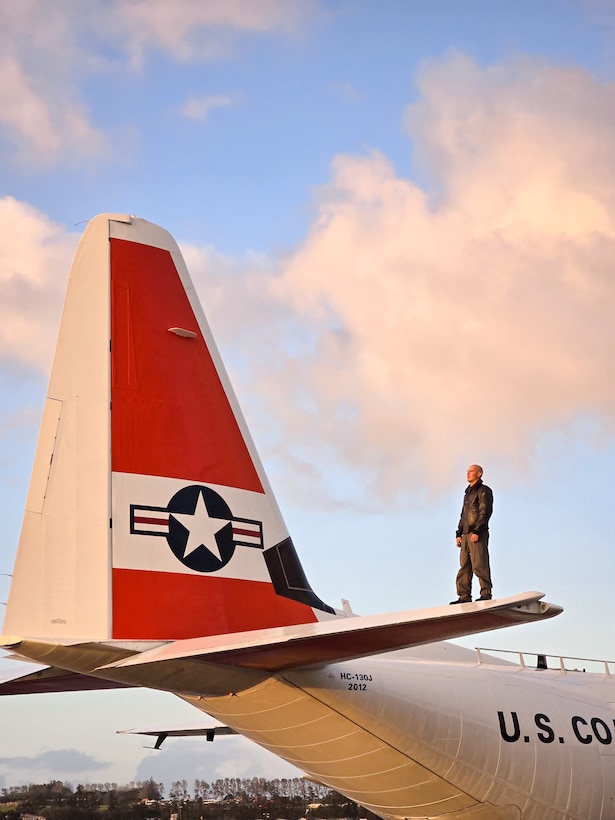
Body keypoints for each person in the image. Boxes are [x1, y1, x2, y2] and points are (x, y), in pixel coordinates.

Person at [450, 464, 493, 604]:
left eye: (471, 471)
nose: (468, 473)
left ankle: (486, 593)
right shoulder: (467, 493)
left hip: (477, 533)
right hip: (466, 534)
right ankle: (464, 596)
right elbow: (464, 514)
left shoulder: (484, 491)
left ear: (479, 474)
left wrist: (477, 531)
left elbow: (485, 511)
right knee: (464, 565)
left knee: (480, 563)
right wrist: (459, 533)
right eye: (467, 471)